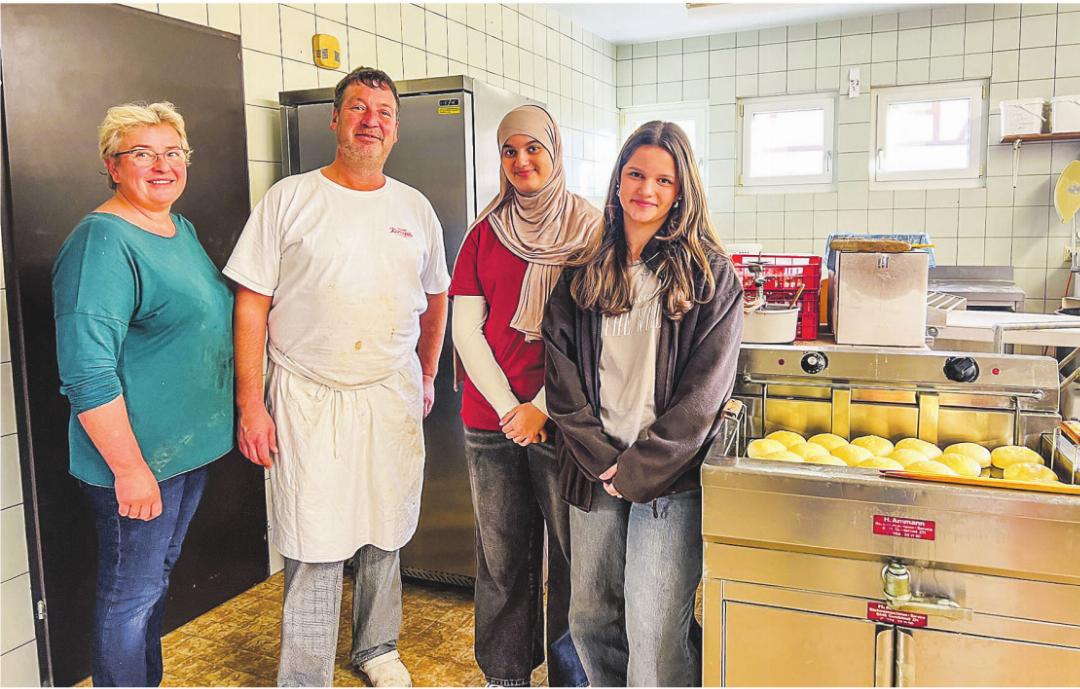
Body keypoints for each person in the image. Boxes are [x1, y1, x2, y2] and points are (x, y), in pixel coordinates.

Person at [224, 66, 450, 687]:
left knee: (386, 523)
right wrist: (251, 403)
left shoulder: (414, 207)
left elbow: (437, 297)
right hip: (308, 393)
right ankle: (305, 675)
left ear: (396, 130)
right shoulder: (290, 199)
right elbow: (251, 303)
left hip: (389, 390)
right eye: (357, 108)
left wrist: (428, 371)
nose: (370, 122)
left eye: (383, 113)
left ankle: (377, 648)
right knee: (313, 534)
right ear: (334, 119)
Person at [542, 121, 744, 687]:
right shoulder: (583, 272)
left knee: (654, 631)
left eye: (663, 180)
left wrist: (638, 468)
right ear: (618, 179)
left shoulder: (709, 278)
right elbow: (560, 376)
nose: (646, 190)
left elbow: (704, 394)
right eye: (636, 174)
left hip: (668, 482)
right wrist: (600, 457)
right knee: (590, 619)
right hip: (592, 470)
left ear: (682, 192)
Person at [52, 102, 234, 687]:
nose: (162, 166)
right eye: (142, 154)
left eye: (173, 153)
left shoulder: (179, 228)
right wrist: (130, 470)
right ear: (112, 166)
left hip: (183, 454)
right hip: (137, 461)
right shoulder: (101, 241)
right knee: (129, 595)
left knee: (154, 580)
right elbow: (87, 372)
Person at [449, 105, 600, 687]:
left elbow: (594, 332)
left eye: (533, 148)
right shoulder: (484, 232)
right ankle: (505, 674)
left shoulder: (590, 231)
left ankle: (570, 677)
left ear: (554, 151)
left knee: (571, 558)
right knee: (501, 556)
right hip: (491, 421)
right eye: (509, 151)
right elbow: (467, 330)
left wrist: (540, 405)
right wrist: (511, 410)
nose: (521, 161)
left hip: (565, 419)